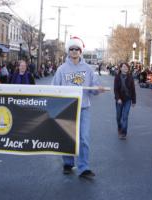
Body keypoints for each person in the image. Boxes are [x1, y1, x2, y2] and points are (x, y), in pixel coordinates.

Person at [52, 36, 105, 179]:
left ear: (81, 51)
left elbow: (93, 89)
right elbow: (54, 88)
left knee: (84, 138)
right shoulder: (61, 69)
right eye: (72, 49)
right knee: (68, 137)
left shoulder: (88, 69)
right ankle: (68, 163)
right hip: (67, 109)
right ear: (68, 51)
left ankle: (84, 168)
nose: (74, 51)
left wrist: (97, 89)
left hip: (84, 108)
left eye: (77, 49)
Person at [114, 63, 136, 140]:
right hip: (119, 100)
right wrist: (118, 99)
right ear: (120, 68)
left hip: (128, 99)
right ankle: (119, 127)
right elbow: (115, 90)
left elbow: (133, 89)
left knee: (125, 116)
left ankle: (123, 133)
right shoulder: (117, 77)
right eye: (123, 67)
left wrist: (134, 101)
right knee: (118, 117)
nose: (125, 68)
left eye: (127, 67)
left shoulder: (130, 77)